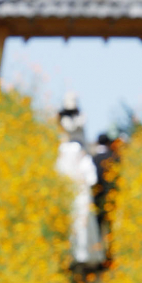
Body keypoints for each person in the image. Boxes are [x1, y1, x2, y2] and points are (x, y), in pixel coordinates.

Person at [55, 95, 103, 266]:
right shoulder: (65, 149)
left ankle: (83, 256)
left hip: (79, 183)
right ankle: (74, 255)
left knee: (82, 218)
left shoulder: (75, 146)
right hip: (71, 180)